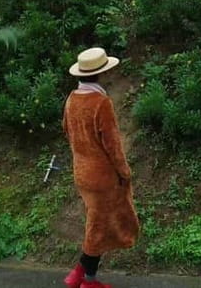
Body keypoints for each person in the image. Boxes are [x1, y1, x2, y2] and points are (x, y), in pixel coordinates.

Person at [62, 47, 139, 288]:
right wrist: (124, 173)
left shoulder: (72, 99)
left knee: (97, 223)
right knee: (98, 227)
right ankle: (88, 281)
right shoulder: (101, 103)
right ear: (102, 74)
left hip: (81, 172)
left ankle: (78, 274)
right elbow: (113, 145)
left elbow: (67, 131)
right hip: (102, 177)